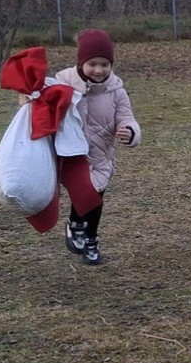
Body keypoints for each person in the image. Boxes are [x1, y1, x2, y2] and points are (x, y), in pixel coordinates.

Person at [53, 29, 142, 265]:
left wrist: (130, 131)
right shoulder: (63, 84)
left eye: (105, 64)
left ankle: (91, 238)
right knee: (83, 193)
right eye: (92, 64)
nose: (99, 70)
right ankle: (75, 225)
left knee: (95, 199)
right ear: (80, 63)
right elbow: (44, 104)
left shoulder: (117, 92)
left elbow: (126, 117)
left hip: (102, 156)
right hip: (73, 155)